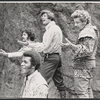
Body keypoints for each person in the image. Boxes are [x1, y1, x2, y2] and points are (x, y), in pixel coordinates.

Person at [25, 10, 66, 98]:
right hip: (57, 58)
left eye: (44, 16)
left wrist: (29, 44)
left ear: (50, 17)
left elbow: (44, 45)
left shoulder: (51, 29)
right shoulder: (56, 28)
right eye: (42, 16)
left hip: (51, 58)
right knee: (59, 83)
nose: (42, 18)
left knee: (41, 81)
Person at [61, 10, 99, 98]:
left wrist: (73, 47)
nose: (75, 25)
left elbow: (87, 50)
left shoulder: (86, 32)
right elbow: (87, 47)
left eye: (77, 22)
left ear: (84, 21)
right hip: (87, 65)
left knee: (81, 92)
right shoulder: (92, 30)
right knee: (87, 91)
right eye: (75, 22)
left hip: (83, 66)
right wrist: (70, 45)